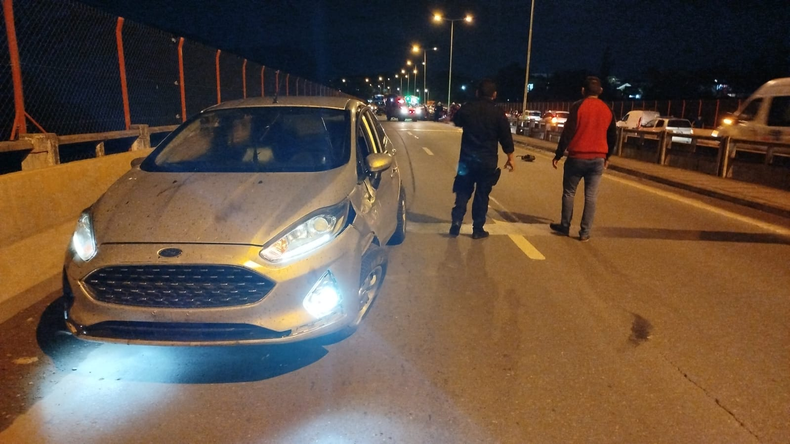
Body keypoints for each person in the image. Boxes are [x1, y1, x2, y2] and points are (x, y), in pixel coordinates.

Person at [550, 76, 616, 242]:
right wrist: (607, 156)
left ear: (582, 91)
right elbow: (612, 136)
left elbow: (568, 132)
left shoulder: (578, 106)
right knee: (591, 196)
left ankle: (565, 225)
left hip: (577, 157)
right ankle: (585, 232)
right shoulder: (608, 109)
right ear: (600, 91)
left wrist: (558, 154)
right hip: (598, 158)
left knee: (569, 192)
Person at [450, 78, 515, 239]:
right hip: (487, 161)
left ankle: (456, 221)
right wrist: (510, 157)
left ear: (477, 93)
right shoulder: (498, 113)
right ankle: (477, 229)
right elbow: (505, 137)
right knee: (482, 195)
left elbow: (456, 120)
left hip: (467, 159)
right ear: (494, 94)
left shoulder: (468, 108)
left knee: (462, 191)